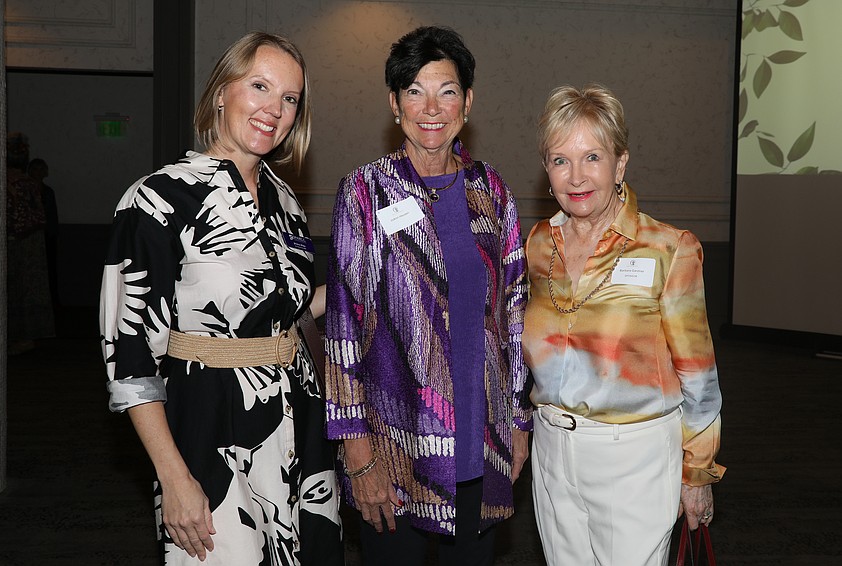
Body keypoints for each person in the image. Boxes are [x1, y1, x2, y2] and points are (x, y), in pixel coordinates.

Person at [99, 32, 342, 565]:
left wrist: (363, 286)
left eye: (290, 98)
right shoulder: (156, 199)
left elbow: (286, 314)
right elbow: (130, 360)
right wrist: (173, 476)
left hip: (299, 423)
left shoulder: (285, 202)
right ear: (220, 92)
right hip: (209, 429)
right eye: (260, 86)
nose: (273, 110)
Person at [324, 26, 531, 566]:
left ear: (468, 100)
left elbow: (514, 318)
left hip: (480, 447)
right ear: (394, 104)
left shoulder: (492, 192)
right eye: (414, 90)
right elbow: (342, 326)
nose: (431, 107)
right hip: (394, 453)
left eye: (447, 90)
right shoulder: (365, 192)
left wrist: (519, 423)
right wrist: (356, 449)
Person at [522, 84, 725, 566]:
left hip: (634, 456)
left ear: (621, 163)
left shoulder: (669, 248)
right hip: (551, 448)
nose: (576, 176)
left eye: (592, 156)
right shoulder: (537, 245)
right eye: (559, 160)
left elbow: (699, 377)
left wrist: (697, 474)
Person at [6, 133, 55, 355]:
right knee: (28, 288)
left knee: (20, 288)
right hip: (31, 241)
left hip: (18, 242)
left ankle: (22, 337)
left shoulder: (11, 183)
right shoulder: (29, 184)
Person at [28, 158, 60, 311]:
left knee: (49, 271)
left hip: (47, 237)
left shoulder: (47, 192)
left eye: (41, 169)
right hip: (30, 237)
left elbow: (52, 216)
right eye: (36, 169)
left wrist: (51, 234)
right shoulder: (26, 191)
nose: (39, 173)